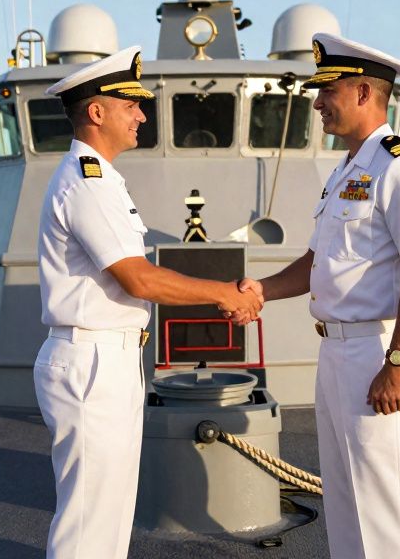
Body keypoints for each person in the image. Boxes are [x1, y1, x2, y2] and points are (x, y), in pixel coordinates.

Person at [34, 45, 264, 559]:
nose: (142, 114)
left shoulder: (102, 180)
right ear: (97, 112)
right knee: (89, 521)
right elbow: (138, 279)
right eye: (131, 104)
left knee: (109, 513)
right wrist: (225, 294)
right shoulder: (88, 183)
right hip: (91, 361)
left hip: (106, 359)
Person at [240, 33, 400, 558]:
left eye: (326, 90)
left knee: (384, 506)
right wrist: (261, 289)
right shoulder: (348, 172)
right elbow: (319, 264)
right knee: (348, 499)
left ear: (361, 92)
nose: (317, 103)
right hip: (337, 352)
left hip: (379, 352)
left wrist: (397, 361)